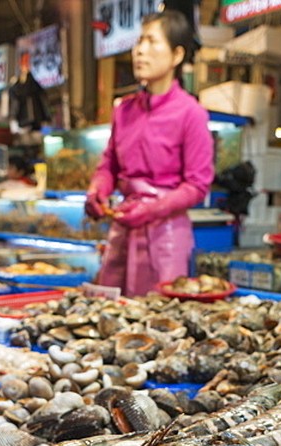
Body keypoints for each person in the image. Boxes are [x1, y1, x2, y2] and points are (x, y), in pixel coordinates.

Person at [85, 10, 213, 296]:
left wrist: (151, 209)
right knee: (109, 313)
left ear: (177, 55)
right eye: (139, 41)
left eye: (152, 42)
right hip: (123, 227)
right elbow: (109, 164)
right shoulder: (124, 109)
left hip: (165, 233)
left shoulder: (191, 113)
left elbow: (197, 185)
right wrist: (98, 188)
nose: (140, 50)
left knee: (158, 318)